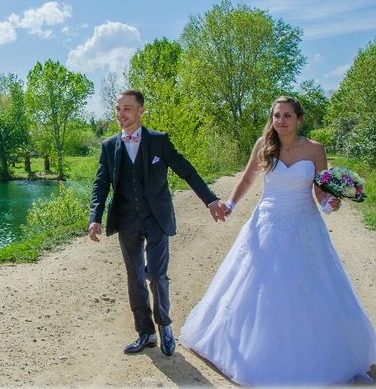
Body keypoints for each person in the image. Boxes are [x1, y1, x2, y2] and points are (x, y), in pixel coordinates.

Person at [180, 96, 376, 386]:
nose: (281, 121)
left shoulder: (315, 150)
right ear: (271, 119)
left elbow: (321, 191)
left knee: (309, 287)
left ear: (299, 119)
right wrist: (230, 205)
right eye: (276, 115)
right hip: (266, 223)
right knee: (261, 287)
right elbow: (247, 179)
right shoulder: (263, 145)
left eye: (287, 115)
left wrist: (328, 204)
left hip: (304, 225)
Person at [88, 89, 228, 356]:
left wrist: (210, 200)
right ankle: (145, 333)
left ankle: (164, 325)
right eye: (118, 109)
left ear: (141, 111)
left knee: (156, 274)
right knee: (135, 276)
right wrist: (95, 217)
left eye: (127, 109)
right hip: (127, 219)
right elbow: (100, 184)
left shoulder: (159, 141)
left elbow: (186, 171)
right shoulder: (109, 146)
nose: (121, 114)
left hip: (157, 217)